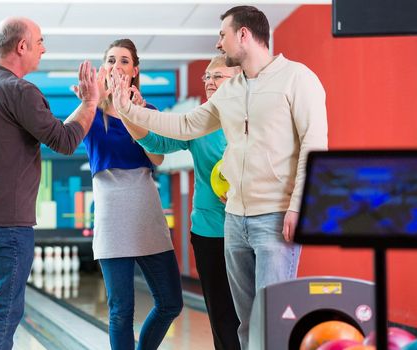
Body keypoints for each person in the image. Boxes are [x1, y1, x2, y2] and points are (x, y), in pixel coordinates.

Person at [110, 6, 328, 349]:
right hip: (235, 220)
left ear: (244, 35)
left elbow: (315, 147)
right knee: (244, 326)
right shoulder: (230, 90)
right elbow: (184, 126)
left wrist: (300, 206)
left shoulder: (298, 79)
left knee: (271, 324)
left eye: (222, 35)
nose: (218, 44)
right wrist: (126, 109)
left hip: (274, 216)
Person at [0, 17, 99, 350]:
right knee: (1, 315)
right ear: (22, 46)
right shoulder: (19, 90)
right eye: (40, 41)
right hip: (6, 225)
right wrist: (90, 103)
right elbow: (64, 141)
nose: (44, 49)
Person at [121, 55, 241, 350]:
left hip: (248, 227)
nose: (210, 82)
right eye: (207, 77)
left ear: (239, 77)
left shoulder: (255, 117)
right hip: (209, 231)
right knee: (222, 317)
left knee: (250, 314)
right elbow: (157, 143)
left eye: (218, 76)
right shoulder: (200, 121)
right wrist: (127, 113)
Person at [82, 38, 183, 350]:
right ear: (103, 68)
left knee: (170, 302)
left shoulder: (147, 110)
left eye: (124, 60)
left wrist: (135, 114)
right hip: (112, 217)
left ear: (135, 70)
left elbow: (157, 159)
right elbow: (67, 130)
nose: (117, 65)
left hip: (146, 213)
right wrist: (91, 97)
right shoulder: (90, 112)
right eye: (111, 60)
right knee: (120, 311)